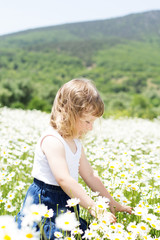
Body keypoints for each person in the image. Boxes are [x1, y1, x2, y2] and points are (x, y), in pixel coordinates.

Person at [16, 78, 132, 239]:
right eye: (87, 121)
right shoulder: (52, 140)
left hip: (68, 199)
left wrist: (109, 201)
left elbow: (90, 176)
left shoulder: (75, 142)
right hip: (46, 202)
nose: (91, 127)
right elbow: (64, 179)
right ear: (68, 113)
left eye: (93, 122)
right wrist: (94, 208)